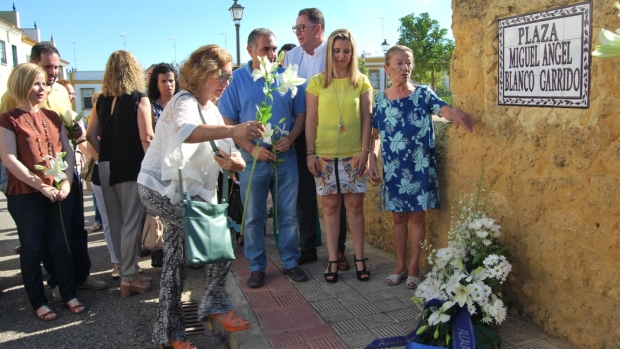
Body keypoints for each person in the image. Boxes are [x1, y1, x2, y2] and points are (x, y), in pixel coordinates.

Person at [138, 44, 262, 349]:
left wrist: (235, 161)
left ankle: (168, 335)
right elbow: (185, 131)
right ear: (201, 72)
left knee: (175, 264)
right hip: (160, 190)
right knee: (216, 236)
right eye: (221, 75)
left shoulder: (211, 109)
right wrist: (234, 132)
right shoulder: (184, 101)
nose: (226, 82)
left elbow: (238, 157)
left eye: (230, 77)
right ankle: (214, 306)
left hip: (182, 193)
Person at [0, 42, 107, 294]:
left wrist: (78, 135)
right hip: (33, 178)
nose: (53, 72)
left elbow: (68, 125)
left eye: (56, 67)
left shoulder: (59, 90)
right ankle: (59, 282)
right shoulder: (9, 98)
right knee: (48, 236)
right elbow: (10, 142)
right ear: (32, 63)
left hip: (66, 169)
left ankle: (80, 276)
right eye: (47, 66)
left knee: (75, 229)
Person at [368, 45, 474, 288]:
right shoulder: (381, 100)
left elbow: (442, 108)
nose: (405, 68)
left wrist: (455, 112)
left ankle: (414, 267)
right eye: (399, 63)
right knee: (398, 218)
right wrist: (371, 160)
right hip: (394, 169)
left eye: (408, 63)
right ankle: (400, 265)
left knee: (417, 216)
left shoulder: (423, 94)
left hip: (419, 166)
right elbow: (375, 135)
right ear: (387, 68)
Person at [219, 28, 309, 288]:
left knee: (288, 215)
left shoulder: (285, 77)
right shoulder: (237, 80)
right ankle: (257, 267)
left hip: (285, 157)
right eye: (265, 49)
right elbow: (228, 121)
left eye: (273, 49)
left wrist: (291, 138)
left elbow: (300, 113)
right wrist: (252, 148)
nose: (271, 54)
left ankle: (290, 262)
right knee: (254, 216)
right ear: (250, 51)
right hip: (254, 159)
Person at [0, 63, 85, 320]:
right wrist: (40, 186)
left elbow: (67, 153)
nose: (42, 88)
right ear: (21, 84)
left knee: (61, 244)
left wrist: (67, 182)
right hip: (25, 194)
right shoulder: (8, 119)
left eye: (43, 84)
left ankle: (68, 293)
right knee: (33, 248)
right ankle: (38, 301)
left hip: (58, 191)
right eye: (35, 83)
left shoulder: (53, 116)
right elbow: (8, 158)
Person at [284, 8, 351, 271]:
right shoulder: (289, 56)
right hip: (300, 133)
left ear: (318, 29)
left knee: (337, 194)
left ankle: (340, 251)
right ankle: (308, 248)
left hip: (332, 134)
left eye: (302, 27)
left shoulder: (334, 54)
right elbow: (285, 93)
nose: (298, 32)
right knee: (303, 195)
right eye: (296, 28)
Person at [306, 29, 373, 284]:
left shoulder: (362, 82)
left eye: (346, 51)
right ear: (329, 52)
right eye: (336, 50)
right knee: (330, 208)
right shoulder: (316, 83)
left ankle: (359, 258)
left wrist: (365, 151)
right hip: (324, 156)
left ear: (352, 53)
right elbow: (311, 120)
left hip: (353, 155)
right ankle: (333, 258)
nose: (341, 55)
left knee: (355, 207)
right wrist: (310, 153)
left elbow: (367, 118)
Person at [86, 50, 154, 298]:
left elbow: (90, 135)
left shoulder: (101, 100)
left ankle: (129, 273)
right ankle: (129, 278)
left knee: (115, 223)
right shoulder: (139, 98)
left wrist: (100, 156)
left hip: (105, 166)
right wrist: (153, 170)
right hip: (131, 166)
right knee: (132, 223)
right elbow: (147, 138)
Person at [146, 62, 180, 268]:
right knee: (161, 211)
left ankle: (183, 255)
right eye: (163, 81)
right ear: (156, 84)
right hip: (160, 166)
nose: (168, 85)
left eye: (171, 81)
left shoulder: (182, 104)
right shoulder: (150, 107)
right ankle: (159, 254)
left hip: (182, 164)